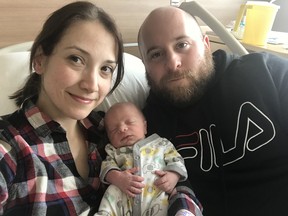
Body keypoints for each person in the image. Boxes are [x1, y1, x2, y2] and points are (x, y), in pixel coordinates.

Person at [137, 5, 288, 216]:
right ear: (145, 65)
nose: (173, 63)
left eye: (182, 44)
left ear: (205, 44)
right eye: (155, 54)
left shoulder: (267, 73)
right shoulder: (148, 125)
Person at [0, 1, 124, 215]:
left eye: (105, 68)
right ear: (40, 60)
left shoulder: (109, 130)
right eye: (76, 59)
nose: (91, 84)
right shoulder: (9, 146)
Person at [97, 102, 203, 216]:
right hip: (123, 201)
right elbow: (106, 167)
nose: (122, 128)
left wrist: (173, 175)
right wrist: (118, 178)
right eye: (114, 129)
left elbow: (176, 159)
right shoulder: (113, 151)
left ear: (145, 127)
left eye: (130, 122)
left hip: (156, 193)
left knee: (176, 195)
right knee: (112, 192)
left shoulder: (161, 143)